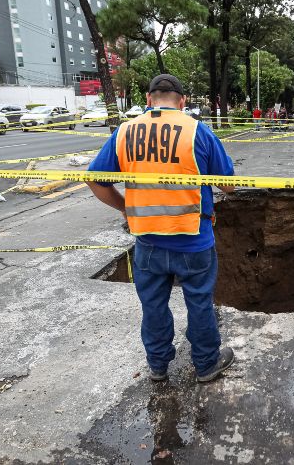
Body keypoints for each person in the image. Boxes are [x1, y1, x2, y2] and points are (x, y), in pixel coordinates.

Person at [86, 74, 236, 384]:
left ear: (149, 98)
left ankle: (157, 366)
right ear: (182, 102)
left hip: (148, 242)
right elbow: (230, 186)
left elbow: (94, 179)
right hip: (193, 238)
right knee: (199, 303)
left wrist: (125, 207)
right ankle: (206, 364)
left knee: (153, 306)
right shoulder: (198, 131)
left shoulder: (125, 132)